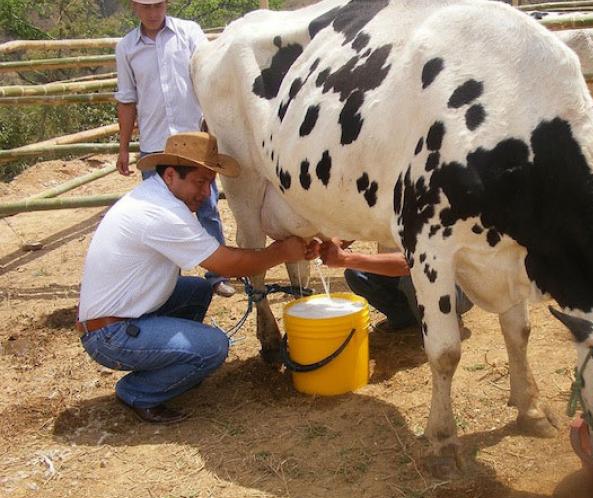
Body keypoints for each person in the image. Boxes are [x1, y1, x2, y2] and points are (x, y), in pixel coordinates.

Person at [77, 132, 319, 424]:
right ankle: (139, 391)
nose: (206, 193)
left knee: (197, 290)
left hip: (120, 315)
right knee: (214, 347)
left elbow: (217, 254)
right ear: (170, 175)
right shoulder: (160, 213)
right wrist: (281, 250)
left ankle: (176, 361)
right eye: (199, 182)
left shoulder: (155, 196)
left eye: (210, 183)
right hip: (109, 336)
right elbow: (226, 264)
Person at [114, 0, 235, 297]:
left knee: (206, 206)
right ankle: (168, 282)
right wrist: (124, 147)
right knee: (159, 216)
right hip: (155, 144)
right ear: (135, 8)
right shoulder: (127, 47)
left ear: (166, 4)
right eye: (146, 7)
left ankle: (217, 274)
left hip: (194, 140)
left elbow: (210, 78)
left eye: (158, 5)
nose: (153, 12)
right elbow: (127, 99)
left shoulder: (189, 33)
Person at [319, 240, 473, 333]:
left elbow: (408, 264)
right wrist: (327, 246)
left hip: (454, 287)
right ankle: (404, 318)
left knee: (412, 277)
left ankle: (445, 323)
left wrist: (345, 258)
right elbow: (353, 228)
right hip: (404, 272)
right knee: (355, 274)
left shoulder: (426, 202)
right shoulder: (384, 198)